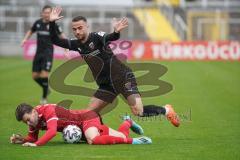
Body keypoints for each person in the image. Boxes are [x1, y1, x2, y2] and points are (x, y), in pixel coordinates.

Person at [48, 7, 180, 127]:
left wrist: (116, 32)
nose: (77, 31)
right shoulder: (75, 44)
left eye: (80, 28)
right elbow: (55, 40)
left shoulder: (97, 37)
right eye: (74, 29)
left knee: (138, 112)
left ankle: (166, 110)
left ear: (87, 26)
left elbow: (111, 37)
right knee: (90, 113)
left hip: (123, 78)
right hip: (106, 84)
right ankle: (101, 131)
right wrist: (52, 23)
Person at [10, 103, 152, 146]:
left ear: (34, 111)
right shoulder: (34, 120)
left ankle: (133, 141)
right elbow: (33, 137)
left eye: (29, 119)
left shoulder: (48, 110)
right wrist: (22, 139)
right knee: (120, 134)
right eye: (26, 122)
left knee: (94, 140)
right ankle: (128, 122)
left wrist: (36, 145)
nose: (29, 123)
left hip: (87, 118)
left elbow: (52, 132)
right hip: (79, 129)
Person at [21, 5, 67, 104]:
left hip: (48, 53)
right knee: (35, 76)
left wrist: (66, 48)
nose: (46, 15)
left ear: (51, 14)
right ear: (42, 13)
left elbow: (62, 36)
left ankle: (44, 97)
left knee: (44, 75)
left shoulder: (54, 25)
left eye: (48, 13)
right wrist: (25, 39)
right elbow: (31, 31)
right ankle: (46, 87)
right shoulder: (38, 23)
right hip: (38, 53)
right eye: (45, 13)